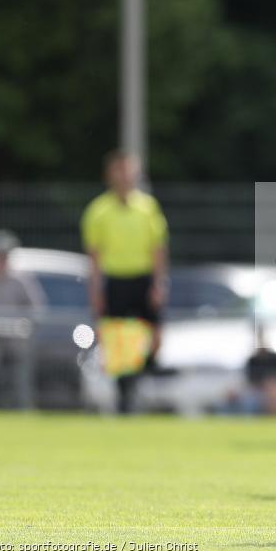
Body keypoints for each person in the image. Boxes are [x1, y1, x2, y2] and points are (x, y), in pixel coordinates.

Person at [81, 150, 168, 414]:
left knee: (153, 337)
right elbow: (94, 255)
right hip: (116, 280)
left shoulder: (147, 207)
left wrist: (158, 283)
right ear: (110, 175)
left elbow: (158, 248)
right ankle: (125, 396)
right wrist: (96, 289)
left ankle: (141, 381)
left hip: (142, 280)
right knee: (117, 341)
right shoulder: (98, 211)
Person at [0, 230, 45, 408]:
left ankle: (21, 407)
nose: (2, 259)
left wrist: (23, 324)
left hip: (14, 343)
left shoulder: (20, 282)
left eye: (5, 255)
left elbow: (37, 309)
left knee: (19, 378)